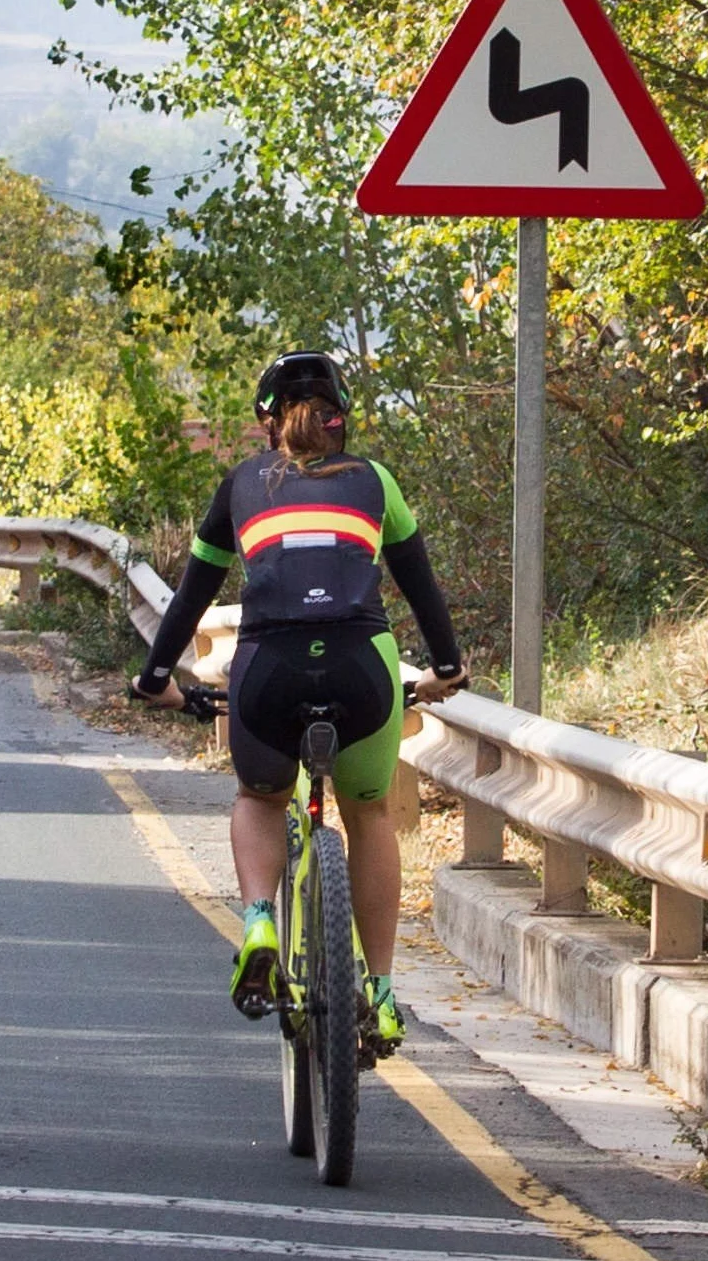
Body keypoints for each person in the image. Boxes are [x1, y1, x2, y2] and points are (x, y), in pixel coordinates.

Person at [132, 351, 462, 1052]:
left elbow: (193, 591)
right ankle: (379, 991)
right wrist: (445, 668)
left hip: (269, 669)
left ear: (266, 422)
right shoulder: (376, 481)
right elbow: (420, 582)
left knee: (259, 797)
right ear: (340, 419)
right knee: (368, 811)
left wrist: (156, 676)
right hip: (360, 668)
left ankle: (257, 920)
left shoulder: (240, 483)